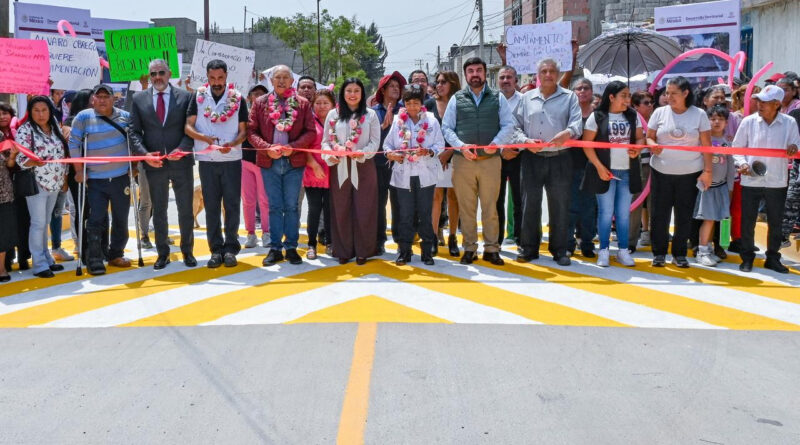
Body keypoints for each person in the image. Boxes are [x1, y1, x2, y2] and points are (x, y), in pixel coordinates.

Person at [442, 57, 516, 266]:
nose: (475, 74)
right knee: (467, 208)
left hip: (490, 160)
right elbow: (447, 127)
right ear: (465, 75)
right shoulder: (457, 98)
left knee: (490, 206)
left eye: (479, 70)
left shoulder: (497, 98)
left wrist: (496, 143)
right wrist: (460, 146)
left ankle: (492, 249)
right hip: (463, 161)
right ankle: (470, 248)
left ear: (485, 73)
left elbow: (508, 125)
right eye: (471, 71)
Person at [513, 58, 582, 266]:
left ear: (558, 74)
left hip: (560, 158)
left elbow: (577, 124)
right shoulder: (526, 98)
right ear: (537, 75)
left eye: (552, 71)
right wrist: (525, 141)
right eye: (544, 71)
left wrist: (568, 132)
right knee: (529, 204)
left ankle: (560, 250)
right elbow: (514, 126)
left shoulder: (569, 97)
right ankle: (529, 248)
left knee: (560, 205)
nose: (548, 75)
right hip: (531, 158)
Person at [129, 59, 198, 270]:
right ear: (149, 76)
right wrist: (145, 155)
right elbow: (133, 132)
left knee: (185, 209)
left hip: (181, 163)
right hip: (154, 164)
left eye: (161, 72)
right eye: (153, 74)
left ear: (169, 74)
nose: (157, 77)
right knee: (158, 210)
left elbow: (192, 128)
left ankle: (187, 251)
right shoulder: (139, 99)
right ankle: (163, 254)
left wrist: (182, 149)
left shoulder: (186, 97)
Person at [248, 65, 315, 266]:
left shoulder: (302, 104)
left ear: (292, 81)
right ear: (271, 80)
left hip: (294, 162)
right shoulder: (260, 103)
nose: (282, 81)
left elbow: (310, 132)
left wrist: (293, 147)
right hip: (269, 162)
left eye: (286, 77)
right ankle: (275, 248)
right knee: (274, 206)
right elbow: (251, 132)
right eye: (278, 77)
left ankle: (292, 247)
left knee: (292, 206)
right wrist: (266, 147)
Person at [185, 59, 248, 269]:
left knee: (231, 205)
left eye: (220, 78)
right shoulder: (198, 96)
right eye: (212, 78)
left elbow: (243, 130)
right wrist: (204, 138)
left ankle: (231, 248)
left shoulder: (238, 99)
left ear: (226, 76)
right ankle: (216, 250)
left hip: (231, 159)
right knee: (211, 205)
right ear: (207, 77)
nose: (216, 82)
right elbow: (188, 127)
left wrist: (235, 143)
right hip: (207, 159)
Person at [646, 76, 713, 268]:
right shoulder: (659, 113)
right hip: (661, 171)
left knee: (684, 215)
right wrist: (653, 145)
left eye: (674, 93)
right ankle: (658, 253)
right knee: (659, 214)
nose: (669, 97)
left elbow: (707, 145)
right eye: (667, 93)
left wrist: (707, 171)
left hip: (690, 172)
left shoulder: (699, 114)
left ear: (686, 93)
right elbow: (648, 137)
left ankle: (679, 253)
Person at [733, 85, 800, 274]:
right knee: (747, 221)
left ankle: (772, 257)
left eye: (765, 102)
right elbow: (737, 148)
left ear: (777, 104)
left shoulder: (789, 123)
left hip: (777, 180)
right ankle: (747, 258)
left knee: (776, 222)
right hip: (751, 179)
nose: (759, 104)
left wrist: (793, 148)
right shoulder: (748, 122)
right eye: (759, 100)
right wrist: (742, 164)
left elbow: (795, 146)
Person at [68, 85, 134, 275]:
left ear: (114, 99)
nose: (103, 100)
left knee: (121, 218)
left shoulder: (125, 117)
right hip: (96, 179)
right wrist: (79, 170)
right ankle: (94, 258)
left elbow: (134, 141)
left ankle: (115, 254)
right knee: (96, 219)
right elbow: (74, 144)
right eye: (99, 96)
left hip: (121, 176)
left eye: (107, 96)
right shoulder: (83, 117)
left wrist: (135, 168)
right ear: (93, 99)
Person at [580, 81, 643, 267]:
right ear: (611, 97)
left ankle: (623, 251)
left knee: (623, 214)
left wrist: (637, 148)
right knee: (606, 213)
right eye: (623, 95)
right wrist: (599, 167)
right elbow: (587, 144)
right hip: (605, 172)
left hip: (627, 171)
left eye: (628, 95)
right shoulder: (597, 116)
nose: (627, 99)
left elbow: (640, 137)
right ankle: (604, 251)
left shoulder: (633, 115)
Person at [321, 78, 381, 265]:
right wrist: (331, 155)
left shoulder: (370, 115)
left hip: (363, 166)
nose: (352, 94)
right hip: (340, 167)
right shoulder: (333, 114)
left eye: (356, 90)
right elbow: (325, 141)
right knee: (341, 209)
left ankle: (364, 250)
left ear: (362, 93)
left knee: (365, 209)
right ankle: (343, 250)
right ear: (342, 93)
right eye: (349, 91)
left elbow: (374, 142)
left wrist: (361, 153)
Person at [384, 84, 444, 265]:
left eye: (416, 103)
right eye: (408, 103)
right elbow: (387, 145)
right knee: (405, 214)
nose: (412, 107)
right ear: (403, 103)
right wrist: (391, 154)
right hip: (403, 174)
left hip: (425, 174)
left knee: (425, 213)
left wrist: (429, 151)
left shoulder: (431, 121)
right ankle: (404, 251)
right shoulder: (397, 121)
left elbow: (440, 144)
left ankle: (427, 251)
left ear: (422, 103)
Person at [15, 97, 69, 278]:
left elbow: (63, 154)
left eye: (44, 110)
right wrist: (32, 162)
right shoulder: (26, 130)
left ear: (50, 111)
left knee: (45, 222)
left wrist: (64, 178)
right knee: (38, 224)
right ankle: (38, 264)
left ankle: (46, 258)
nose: (40, 114)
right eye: (36, 110)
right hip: (36, 184)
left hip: (54, 182)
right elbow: (20, 158)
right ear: (30, 112)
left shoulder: (55, 129)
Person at [693, 105, 735, 266]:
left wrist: (730, 188)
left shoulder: (728, 142)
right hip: (706, 187)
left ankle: (708, 249)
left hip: (722, 186)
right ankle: (702, 251)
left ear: (726, 122)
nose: (717, 122)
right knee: (708, 219)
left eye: (721, 119)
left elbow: (730, 168)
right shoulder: (703, 140)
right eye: (713, 119)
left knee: (715, 218)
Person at [426, 71, 461, 258]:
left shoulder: (461, 104)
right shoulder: (429, 104)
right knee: (436, 197)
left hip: (456, 156)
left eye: (443, 82)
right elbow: (424, 130)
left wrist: (450, 151)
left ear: (453, 84)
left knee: (454, 197)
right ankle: (432, 237)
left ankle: (453, 237)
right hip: (435, 158)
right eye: (437, 82)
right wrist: (438, 153)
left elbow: (463, 131)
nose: (439, 85)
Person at [372, 71, 406, 255]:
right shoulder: (372, 112)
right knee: (378, 203)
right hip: (378, 164)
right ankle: (379, 240)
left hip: (400, 164)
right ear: (383, 90)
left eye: (398, 86)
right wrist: (382, 127)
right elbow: (367, 138)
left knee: (400, 203)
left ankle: (401, 240)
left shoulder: (405, 110)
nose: (395, 89)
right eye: (391, 86)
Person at [566, 77, 597, 258]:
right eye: (578, 88)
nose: (582, 91)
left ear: (591, 92)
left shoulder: (598, 115)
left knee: (589, 208)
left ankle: (586, 243)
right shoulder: (569, 115)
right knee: (570, 208)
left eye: (586, 88)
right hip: (570, 166)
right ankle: (569, 243)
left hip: (592, 168)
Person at [303, 89, 335, 260]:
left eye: (325, 103)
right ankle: (311, 244)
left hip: (333, 170)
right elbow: (304, 146)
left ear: (333, 105)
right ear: (313, 105)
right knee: (314, 209)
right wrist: (314, 165)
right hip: (313, 170)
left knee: (331, 209)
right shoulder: (308, 122)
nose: (322, 106)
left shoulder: (338, 121)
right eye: (318, 103)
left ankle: (330, 242)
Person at [1, 102, 30, 273]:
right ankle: (7, 260)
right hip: (4, 187)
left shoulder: (18, 129)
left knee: (23, 220)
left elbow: (27, 116)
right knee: (6, 224)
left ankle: (24, 257)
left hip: (20, 181)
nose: (2, 117)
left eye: (5, 113)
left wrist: (33, 95)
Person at [496, 66, 523, 247]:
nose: (506, 80)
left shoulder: (525, 101)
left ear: (516, 81)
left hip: (519, 156)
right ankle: (496, 240)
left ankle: (520, 239)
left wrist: (517, 149)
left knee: (520, 200)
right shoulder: (491, 101)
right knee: (496, 200)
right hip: (496, 156)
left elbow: (527, 126)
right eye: (502, 77)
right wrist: (500, 150)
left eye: (509, 77)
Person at [241, 84, 270, 249]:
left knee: (265, 200)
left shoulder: (271, 115)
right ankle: (250, 233)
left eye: (262, 94)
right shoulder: (242, 114)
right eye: (255, 94)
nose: (258, 97)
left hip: (264, 162)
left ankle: (266, 233)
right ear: (249, 97)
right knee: (248, 200)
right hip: (245, 161)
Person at [629, 90, 655, 251]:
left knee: (656, 206)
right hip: (637, 166)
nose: (650, 105)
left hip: (655, 167)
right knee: (635, 205)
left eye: (651, 102)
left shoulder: (656, 120)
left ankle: (656, 239)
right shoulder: (631, 120)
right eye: (646, 103)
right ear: (636, 106)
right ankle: (630, 242)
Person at [0, 120, 18, 282]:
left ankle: (1, 268)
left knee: (3, 232)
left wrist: (12, 155)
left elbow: (9, 163)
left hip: (3, 192)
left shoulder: (0, 137)